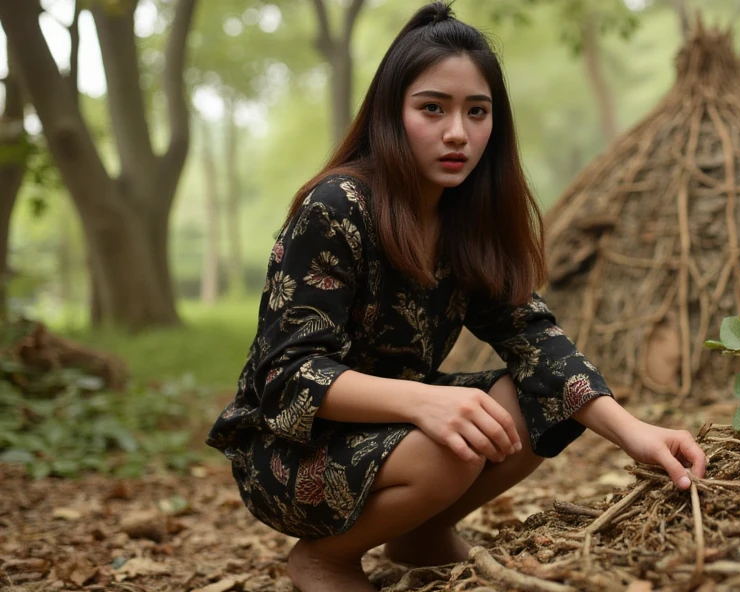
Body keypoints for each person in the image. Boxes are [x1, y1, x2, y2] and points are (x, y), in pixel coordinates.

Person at [207, 3, 708, 590]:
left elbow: (534, 339)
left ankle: (420, 531)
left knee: (535, 398)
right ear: (390, 115)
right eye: (432, 109)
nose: (457, 133)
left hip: (394, 434)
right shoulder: (337, 207)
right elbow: (288, 376)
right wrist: (424, 404)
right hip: (289, 450)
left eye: (477, 112)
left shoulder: (468, 218)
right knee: (453, 447)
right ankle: (326, 557)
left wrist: (635, 432)